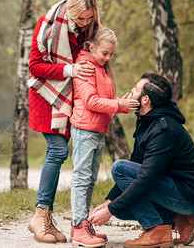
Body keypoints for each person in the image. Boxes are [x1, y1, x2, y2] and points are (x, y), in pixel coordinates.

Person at [88, 73, 194, 248]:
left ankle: (157, 230)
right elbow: (137, 163)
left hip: (188, 194)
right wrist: (110, 202)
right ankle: (181, 219)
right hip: (173, 187)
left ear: (145, 99)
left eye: (136, 88)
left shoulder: (164, 130)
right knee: (121, 210)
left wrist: (109, 210)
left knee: (118, 168)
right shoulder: (147, 120)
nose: (132, 90)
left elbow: (145, 178)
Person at [27, 0, 101, 244]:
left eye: (89, 18)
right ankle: (40, 215)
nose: (84, 23)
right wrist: (69, 69)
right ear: (70, 11)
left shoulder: (89, 29)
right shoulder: (47, 25)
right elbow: (35, 67)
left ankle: (48, 219)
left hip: (72, 99)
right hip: (49, 97)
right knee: (58, 152)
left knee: (64, 154)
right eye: (80, 19)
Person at [69, 26, 139, 248]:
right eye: (104, 53)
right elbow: (90, 101)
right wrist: (118, 104)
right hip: (84, 129)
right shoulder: (85, 67)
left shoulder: (101, 68)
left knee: (90, 179)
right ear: (91, 47)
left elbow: (103, 98)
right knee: (81, 178)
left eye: (111, 54)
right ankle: (79, 226)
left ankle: (81, 225)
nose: (108, 58)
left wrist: (122, 104)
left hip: (98, 130)